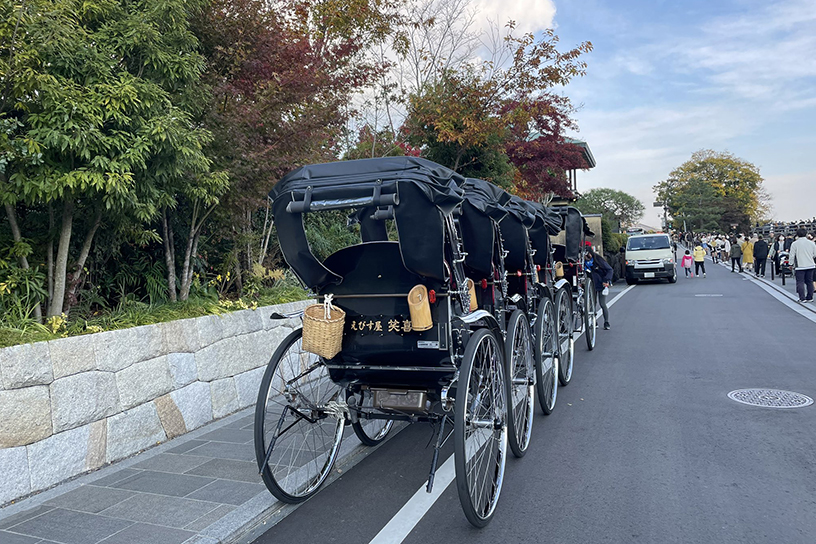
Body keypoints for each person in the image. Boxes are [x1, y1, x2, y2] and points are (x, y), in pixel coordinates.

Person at [584, 248, 614, 330]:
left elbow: (610, 270)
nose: (585, 257)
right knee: (591, 304)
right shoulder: (583, 263)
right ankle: (594, 321)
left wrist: (606, 280)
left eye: (587, 255)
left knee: (602, 304)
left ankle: (606, 322)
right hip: (590, 286)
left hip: (601, 284)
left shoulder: (598, 260)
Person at [789, 228, 816, 303]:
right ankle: (810, 297)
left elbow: (791, 255)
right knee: (809, 281)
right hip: (810, 265)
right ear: (806, 234)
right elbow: (815, 254)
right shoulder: (811, 243)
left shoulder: (795, 244)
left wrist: (790, 264)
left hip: (799, 266)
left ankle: (802, 298)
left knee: (800, 282)